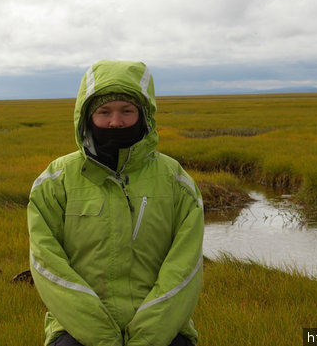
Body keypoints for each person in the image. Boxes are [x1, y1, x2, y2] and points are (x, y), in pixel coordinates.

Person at [27, 60, 204, 346]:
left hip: (163, 332)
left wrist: (146, 337)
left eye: (127, 111)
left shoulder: (176, 182)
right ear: (87, 117)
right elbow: (47, 265)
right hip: (78, 332)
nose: (115, 122)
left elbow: (185, 266)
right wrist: (102, 337)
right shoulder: (54, 182)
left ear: (144, 115)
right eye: (104, 112)